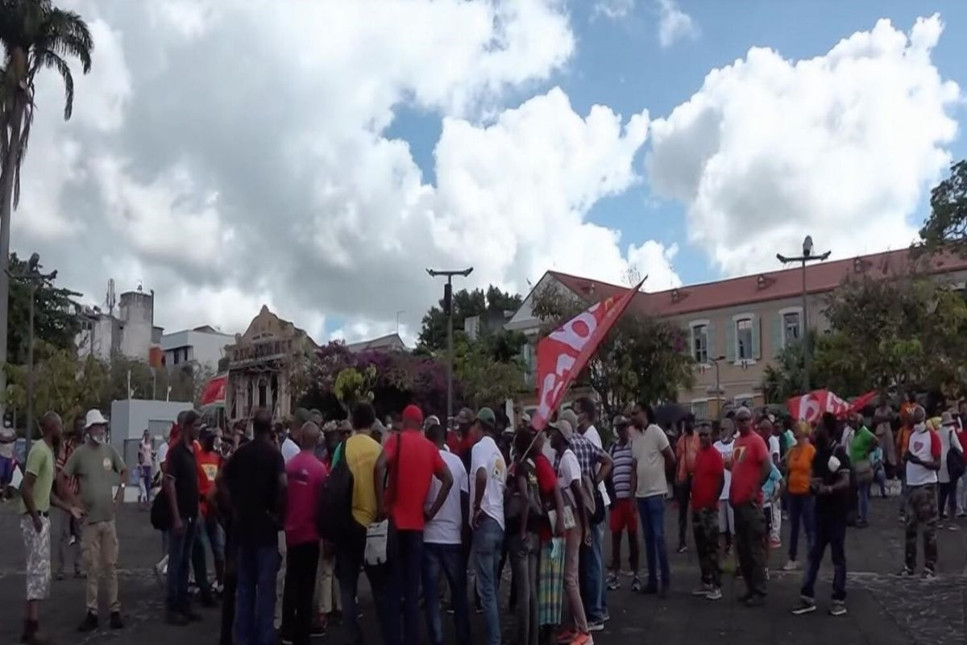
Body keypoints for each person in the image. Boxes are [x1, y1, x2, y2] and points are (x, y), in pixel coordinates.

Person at [375, 404, 454, 645]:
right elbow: (448, 479)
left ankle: (392, 639)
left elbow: (379, 466)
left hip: (395, 523)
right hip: (417, 526)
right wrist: (431, 510)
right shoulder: (429, 448)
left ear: (405, 421)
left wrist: (380, 506)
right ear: (420, 424)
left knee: (392, 588)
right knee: (411, 590)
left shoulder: (396, 442)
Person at [221, 408, 287, 645]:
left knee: (245, 590)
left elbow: (221, 480)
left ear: (252, 427)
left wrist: (234, 509)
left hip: (243, 530)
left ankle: (243, 639)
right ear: (270, 428)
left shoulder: (241, 453)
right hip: (266, 532)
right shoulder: (274, 455)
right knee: (266, 594)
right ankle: (264, 640)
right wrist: (278, 514)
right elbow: (283, 485)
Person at [60, 408, 127, 632]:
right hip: (90, 522)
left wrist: (121, 492)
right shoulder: (79, 453)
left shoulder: (110, 450)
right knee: (92, 568)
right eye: (97, 427)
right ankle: (92, 612)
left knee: (111, 565)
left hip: (109, 520)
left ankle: (114, 609)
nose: (101, 430)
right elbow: (62, 478)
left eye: (102, 426)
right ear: (89, 430)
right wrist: (74, 504)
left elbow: (124, 471)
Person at [19, 412, 82, 645]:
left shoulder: (48, 451)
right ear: (51, 428)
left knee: (39, 574)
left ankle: (31, 627)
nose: (62, 430)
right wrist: (35, 517)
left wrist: (69, 508)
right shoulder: (39, 451)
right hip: (34, 519)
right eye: (59, 426)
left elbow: (47, 494)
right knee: (36, 573)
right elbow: (25, 487)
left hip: (41, 517)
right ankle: (31, 630)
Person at [334, 402, 389, 645]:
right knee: (379, 585)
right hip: (374, 525)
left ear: (354, 423)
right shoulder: (380, 449)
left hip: (347, 523)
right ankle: (386, 633)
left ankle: (353, 636)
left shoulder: (343, 447)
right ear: (372, 421)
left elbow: (334, 486)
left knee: (347, 585)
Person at [792, 412, 851, 617]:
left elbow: (845, 480)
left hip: (836, 513)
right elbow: (815, 478)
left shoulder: (839, 452)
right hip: (820, 512)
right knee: (814, 554)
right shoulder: (817, 454)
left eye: (818, 427)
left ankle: (838, 598)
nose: (815, 430)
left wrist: (829, 489)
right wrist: (813, 486)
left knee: (837, 556)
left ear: (828, 429)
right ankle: (807, 597)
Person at [421, 420, 470, 645]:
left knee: (432, 598)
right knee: (459, 594)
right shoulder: (458, 464)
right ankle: (463, 637)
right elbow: (464, 501)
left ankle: (436, 639)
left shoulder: (425, 463)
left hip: (429, 536)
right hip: (453, 536)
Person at [280, 422, 328, 645]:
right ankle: (302, 634)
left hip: (291, 531)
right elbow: (322, 503)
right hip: (310, 533)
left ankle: (287, 629)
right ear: (317, 440)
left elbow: (283, 497)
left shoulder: (290, 466)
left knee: (292, 580)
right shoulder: (319, 470)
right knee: (307, 585)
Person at [547, 417, 593, 645]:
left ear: (562, 437)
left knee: (569, 578)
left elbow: (578, 492)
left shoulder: (567, 459)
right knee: (568, 576)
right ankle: (577, 627)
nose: (550, 436)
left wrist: (584, 527)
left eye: (554, 433)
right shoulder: (561, 458)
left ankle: (584, 630)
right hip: (570, 521)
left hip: (573, 521)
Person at [467, 407, 507, 645]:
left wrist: (476, 506)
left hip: (485, 522)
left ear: (479, 425)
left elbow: (481, 476)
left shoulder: (480, 448)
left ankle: (494, 639)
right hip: (499, 522)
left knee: (487, 591)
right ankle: (494, 635)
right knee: (491, 585)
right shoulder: (499, 454)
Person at [630, 403, 675, 597]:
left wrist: (661, 476)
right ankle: (652, 581)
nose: (632, 417)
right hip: (641, 495)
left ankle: (665, 581)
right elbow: (634, 467)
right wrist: (633, 493)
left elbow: (670, 457)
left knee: (658, 538)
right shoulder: (636, 438)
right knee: (648, 539)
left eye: (635, 413)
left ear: (645, 413)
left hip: (656, 493)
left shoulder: (656, 432)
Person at [572, 397, 611, 625]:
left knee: (593, 560)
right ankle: (599, 607)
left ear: (584, 414)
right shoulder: (590, 435)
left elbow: (607, 461)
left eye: (576, 410)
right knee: (594, 558)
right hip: (597, 501)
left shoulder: (588, 437)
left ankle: (595, 611)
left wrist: (593, 483)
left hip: (594, 503)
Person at [163, 410, 203, 625]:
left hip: (191, 514)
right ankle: (172, 607)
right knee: (176, 561)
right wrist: (177, 517)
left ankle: (183, 603)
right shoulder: (177, 452)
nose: (198, 429)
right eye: (196, 425)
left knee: (185, 562)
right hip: (181, 516)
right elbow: (170, 484)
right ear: (187, 426)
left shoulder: (191, 451)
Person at [729, 406, 771, 607]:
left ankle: (759, 590)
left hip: (751, 504)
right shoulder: (738, 441)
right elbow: (736, 469)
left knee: (755, 549)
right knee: (743, 549)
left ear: (751, 420)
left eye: (746, 419)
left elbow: (767, 466)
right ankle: (750, 588)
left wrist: (756, 489)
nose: (743, 423)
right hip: (737, 502)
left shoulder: (756, 441)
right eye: (739, 420)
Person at [900, 405, 941, 578]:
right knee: (910, 528)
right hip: (912, 485)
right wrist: (907, 459)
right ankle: (909, 566)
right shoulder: (912, 435)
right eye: (913, 421)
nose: (916, 424)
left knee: (928, 529)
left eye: (918, 421)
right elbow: (910, 455)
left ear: (924, 419)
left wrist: (918, 462)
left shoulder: (932, 436)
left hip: (927, 486)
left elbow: (937, 464)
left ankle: (929, 567)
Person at [689, 421, 725, 601]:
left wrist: (712, 502)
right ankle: (706, 581)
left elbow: (721, 481)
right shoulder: (700, 454)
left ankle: (717, 585)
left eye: (706, 434)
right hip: (696, 507)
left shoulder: (715, 455)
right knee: (701, 547)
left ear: (712, 435)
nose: (703, 437)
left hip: (709, 509)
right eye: (700, 435)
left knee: (712, 548)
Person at [606, 415, 640, 592]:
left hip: (629, 499)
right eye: (619, 427)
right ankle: (615, 574)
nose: (622, 430)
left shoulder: (633, 447)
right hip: (616, 500)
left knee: (633, 538)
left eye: (624, 426)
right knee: (615, 538)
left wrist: (634, 496)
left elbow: (636, 470)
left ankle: (635, 574)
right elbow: (608, 471)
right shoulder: (612, 449)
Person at [193, 425, 225, 603]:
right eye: (211, 438)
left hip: (214, 510)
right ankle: (202, 584)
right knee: (200, 549)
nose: (214, 441)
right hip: (201, 509)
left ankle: (220, 583)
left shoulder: (217, 458)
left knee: (219, 548)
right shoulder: (196, 458)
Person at [782, 422, 816, 571]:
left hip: (806, 493)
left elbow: (815, 470)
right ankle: (792, 558)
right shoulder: (792, 450)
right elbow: (786, 468)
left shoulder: (811, 450)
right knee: (794, 527)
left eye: (798, 433)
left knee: (809, 526)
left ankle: (812, 556)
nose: (796, 436)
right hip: (792, 493)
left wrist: (812, 485)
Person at [54, 417, 84, 580]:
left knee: (80, 533)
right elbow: (59, 469)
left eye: (83, 426)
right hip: (67, 495)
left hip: (80, 495)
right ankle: (61, 568)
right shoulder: (67, 445)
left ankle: (78, 567)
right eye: (78, 426)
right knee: (64, 533)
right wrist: (62, 492)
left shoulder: (88, 447)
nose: (81, 429)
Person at [674, 415, 700, 553]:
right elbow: (678, 460)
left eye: (691, 423)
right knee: (682, 511)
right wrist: (677, 477)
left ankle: (699, 539)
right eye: (686, 423)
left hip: (696, 477)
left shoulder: (698, 438)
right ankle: (682, 541)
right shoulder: (681, 440)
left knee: (697, 510)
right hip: (684, 478)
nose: (689, 425)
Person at [848, 413, 878, 528]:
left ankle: (864, 518)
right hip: (857, 466)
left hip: (863, 467)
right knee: (861, 493)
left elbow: (875, 441)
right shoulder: (856, 433)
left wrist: (867, 451)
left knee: (863, 493)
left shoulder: (864, 432)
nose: (851, 424)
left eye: (853, 422)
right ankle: (860, 516)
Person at [713, 419, 736, 557]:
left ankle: (733, 551)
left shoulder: (737, 444)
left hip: (733, 492)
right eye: (720, 429)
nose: (722, 432)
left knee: (734, 528)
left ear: (731, 429)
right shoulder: (715, 446)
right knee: (721, 527)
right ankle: (722, 552)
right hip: (719, 493)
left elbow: (739, 466)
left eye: (724, 429)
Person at [759, 418, 782, 548]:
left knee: (774, 509)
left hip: (772, 476)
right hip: (765, 476)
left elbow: (775, 458)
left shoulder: (773, 441)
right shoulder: (760, 440)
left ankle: (775, 534)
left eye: (762, 429)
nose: (759, 431)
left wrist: (773, 472)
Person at [936, 412, 963, 526]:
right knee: (952, 491)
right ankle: (951, 520)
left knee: (941, 492)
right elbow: (959, 449)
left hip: (939, 463)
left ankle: (940, 517)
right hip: (950, 464)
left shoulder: (936, 433)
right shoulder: (951, 433)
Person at [873, 397, 897, 479]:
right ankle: (881, 473)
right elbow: (875, 420)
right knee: (880, 452)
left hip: (888, 432)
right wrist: (885, 418)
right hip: (879, 433)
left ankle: (893, 474)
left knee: (891, 452)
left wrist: (882, 418)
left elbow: (892, 418)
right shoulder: (877, 410)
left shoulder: (889, 409)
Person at [0, 418, 16, 498]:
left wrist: (6, 439)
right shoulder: (1, 429)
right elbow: (2, 439)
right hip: (1, 456)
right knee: (1, 474)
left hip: (9, 457)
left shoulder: (12, 431)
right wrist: (9, 439)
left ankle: (3, 496)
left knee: (7, 477)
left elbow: (14, 437)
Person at [140, 429, 155, 505]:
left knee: (148, 484)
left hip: (149, 464)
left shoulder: (150, 444)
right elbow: (140, 454)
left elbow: (150, 452)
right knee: (142, 485)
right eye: (146, 434)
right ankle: (142, 500)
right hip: (144, 465)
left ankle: (147, 501)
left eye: (148, 434)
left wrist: (153, 455)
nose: (147, 436)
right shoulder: (142, 443)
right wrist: (141, 466)